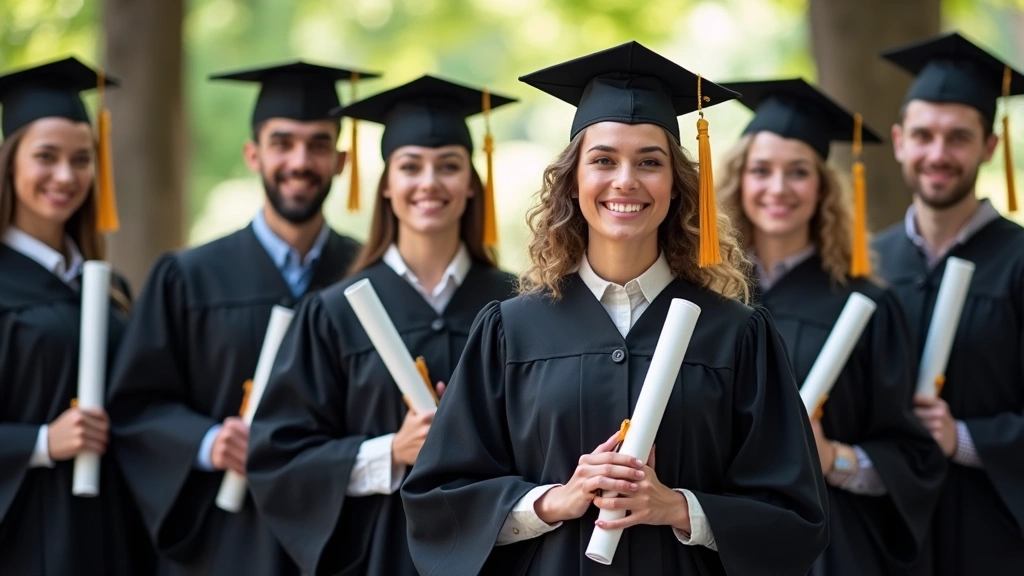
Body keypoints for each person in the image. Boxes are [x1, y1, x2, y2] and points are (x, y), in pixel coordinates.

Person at [400, 41, 829, 576]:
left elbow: (796, 518)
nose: (625, 180)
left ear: (675, 187)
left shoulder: (735, 333)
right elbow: (437, 501)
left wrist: (676, 507)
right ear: (573, 181)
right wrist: (555, 499)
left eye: (650, 162)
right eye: (603, 160)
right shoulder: (511, 331)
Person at [246, 75, 519, 576]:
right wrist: (391, 452)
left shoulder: (518, 305)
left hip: (493, 557)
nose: (429, 182)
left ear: (472, 184)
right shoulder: (333, 312)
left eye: (450, 166)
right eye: (410, 166)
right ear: (387, 186)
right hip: (376, 557)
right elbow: (278, 458)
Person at [105, 61, 369, 576]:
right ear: (254, 154)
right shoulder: (188, 277)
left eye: (318, 144)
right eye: (282, 143)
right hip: (223, 545)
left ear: (340, 160)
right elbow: (134, 406)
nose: (300, 160)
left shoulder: (366, 278)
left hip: (337, 541)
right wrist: (206, 444)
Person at [717, 77, 947, 575]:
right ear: (739, 180)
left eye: (798, 172)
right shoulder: (709, 298)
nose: (778, 188)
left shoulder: (865, 307)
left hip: (830, 550)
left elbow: (913, 456)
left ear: (822, 187)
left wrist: (835, 459)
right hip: (719, 543)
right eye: (762, 170)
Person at [873, 31, 1024, 575]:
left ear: (988, 146)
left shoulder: (1020, 259)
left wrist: (961, 438)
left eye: (958, 137)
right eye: (924, 135)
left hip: (994, 536)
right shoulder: (868, 261)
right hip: (888, 534)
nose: (938, 154)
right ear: (899, 141)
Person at [0, 57, 153, 575]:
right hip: (24, 534)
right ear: (10, 163)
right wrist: (41, 443)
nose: (66, 175)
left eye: (82, 159)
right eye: (46, 156)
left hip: (110, 529)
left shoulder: (108, 286)